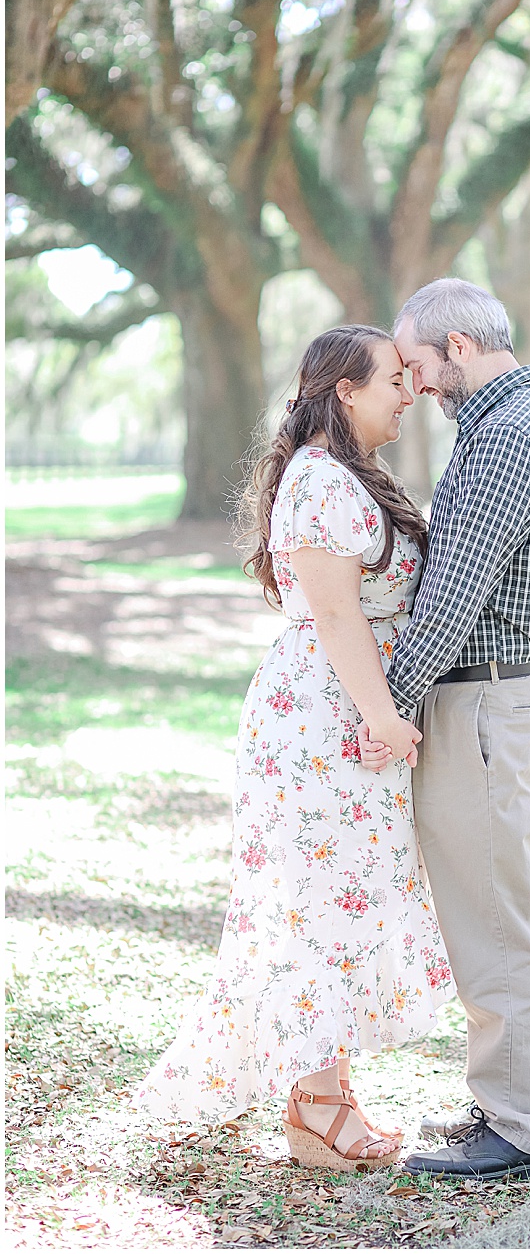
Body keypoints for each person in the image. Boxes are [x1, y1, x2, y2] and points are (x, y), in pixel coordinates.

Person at [135, 325, 453, 1173]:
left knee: (342, 901)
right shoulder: (317, 481)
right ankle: (315, 1112)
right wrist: (383, 717)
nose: (409, 390)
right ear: (344, 390)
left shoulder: (344, 476)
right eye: (394, 377)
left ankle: (329, 1098)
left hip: (345, 717)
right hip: (323, 724)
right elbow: (339, 615)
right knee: (319, 905)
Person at [360, 279, 530, 1180]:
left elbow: (453, 598)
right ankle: (504, 1102)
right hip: (504, 699)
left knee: (502, 916)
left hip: (488, 701)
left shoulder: (502, 439)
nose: (414, 383)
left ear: (457, 345)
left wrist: (390, 711)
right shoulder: (520, 419)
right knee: (500, 907)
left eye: (416, 363)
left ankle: (522, 1130)